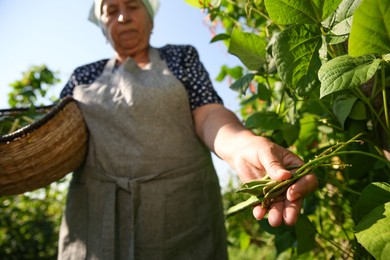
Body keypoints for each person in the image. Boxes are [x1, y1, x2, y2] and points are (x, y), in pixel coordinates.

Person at [58, 0, 318, 259]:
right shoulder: (83, 76)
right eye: (111, 11)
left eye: (133, 6)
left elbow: (208, 114)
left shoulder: (179, 57)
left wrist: (244, 146)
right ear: (102, 26)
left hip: (179, 213)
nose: (123, 17)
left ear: (150, 18)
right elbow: (56, 135)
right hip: (96, 219)